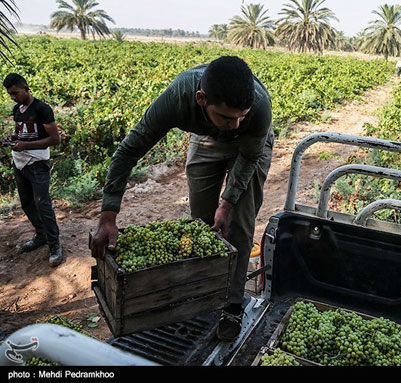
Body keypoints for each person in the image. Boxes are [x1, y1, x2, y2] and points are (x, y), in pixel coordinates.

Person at [91, 56, 274, 342]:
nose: (236, 124)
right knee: (202, 225)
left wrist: (227, 203)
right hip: (206, 140)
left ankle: (232, 304)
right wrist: (108, 215)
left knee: (236, 224)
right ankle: (202, 291)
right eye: (227, 117)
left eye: (242, 115)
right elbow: (129, 152)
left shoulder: (258, 109)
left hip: (249, 147)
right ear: (201, 99)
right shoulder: (179, 96)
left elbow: (250, 156)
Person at [2, 73, 63, 267]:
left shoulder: (42, 109)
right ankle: (41, 235)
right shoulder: (17, 109)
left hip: (37, 164)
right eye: (10, 94)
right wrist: (12, 139)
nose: (13, 97)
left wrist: (25, 146)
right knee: (27, 203)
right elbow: (24, 133)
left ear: (26, 88)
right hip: (20, 163)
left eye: (15, 93)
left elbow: (55, 139)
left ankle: (54, 245)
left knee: (42, 204)